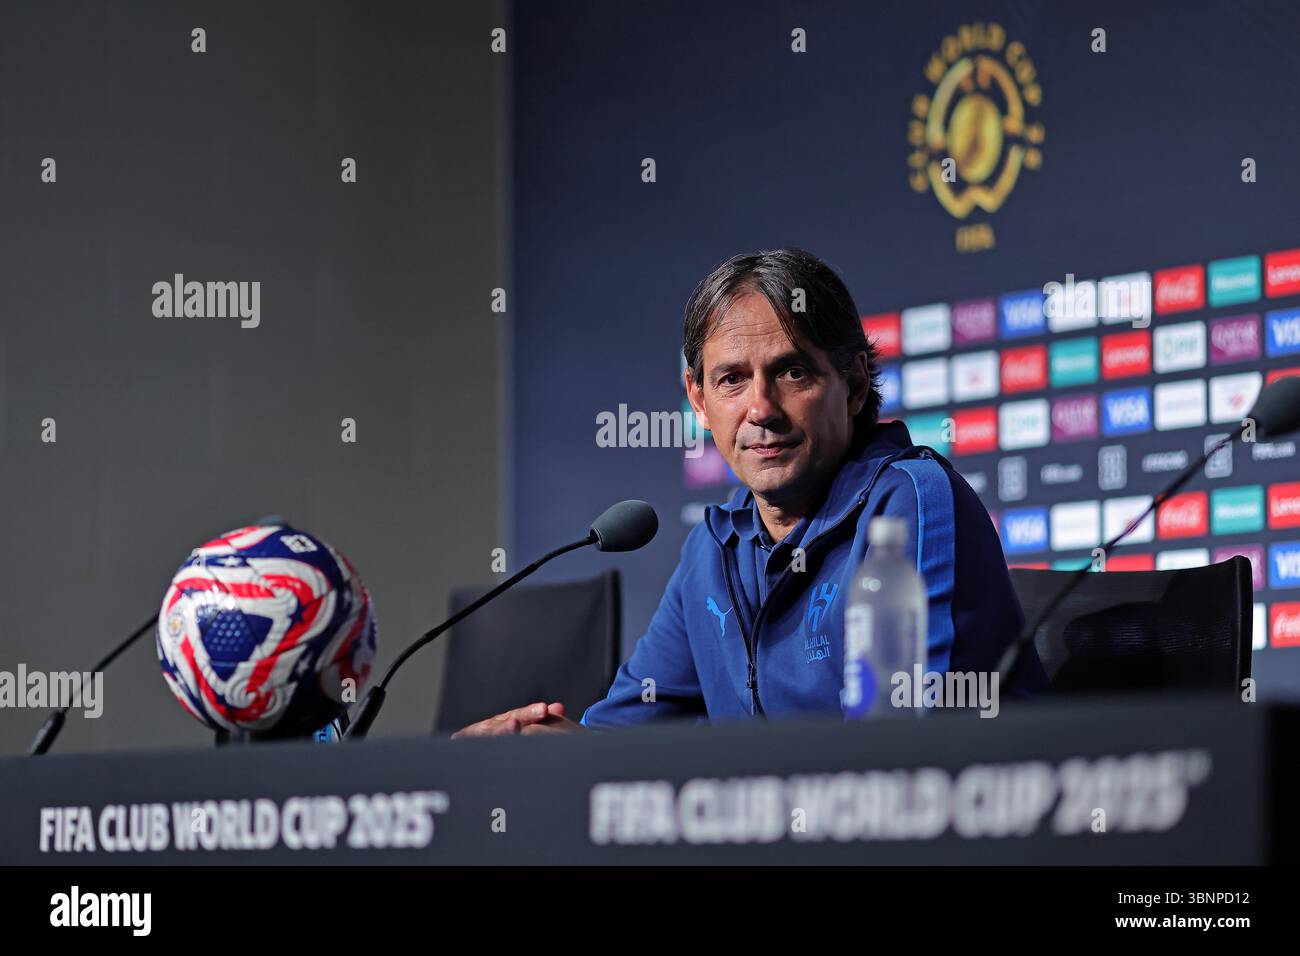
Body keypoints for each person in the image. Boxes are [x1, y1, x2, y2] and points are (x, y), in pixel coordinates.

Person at [452, 248, 1046, 738]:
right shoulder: (713, 549)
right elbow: (619, 746)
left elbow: (910, 748)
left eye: (793, 372)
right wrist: (532, 748)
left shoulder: (911, 502)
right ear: (699, 400)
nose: (761, 409)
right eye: (731, 379)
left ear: (856, 383)